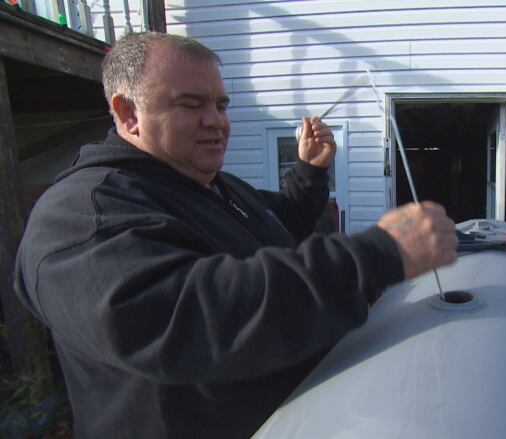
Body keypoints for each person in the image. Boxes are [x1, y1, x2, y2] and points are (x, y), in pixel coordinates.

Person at [14, 32, 458, 438]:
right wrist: (373, 256)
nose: (217, 122)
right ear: (129, 112)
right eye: (191, 104)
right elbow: (189, 320)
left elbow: (278, 223)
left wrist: (310, 169)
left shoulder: (209, 184)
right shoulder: (83, 215)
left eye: (221, 105)